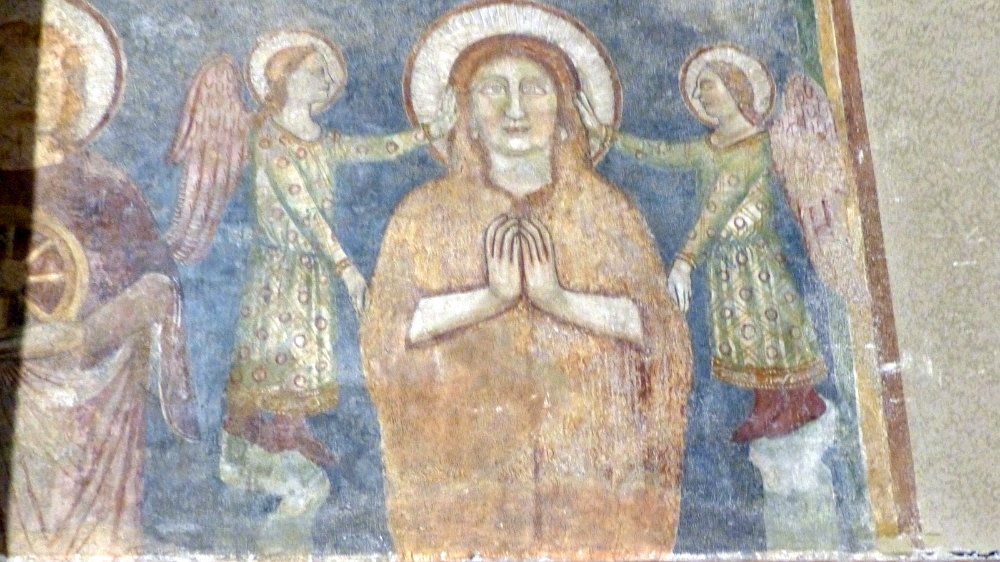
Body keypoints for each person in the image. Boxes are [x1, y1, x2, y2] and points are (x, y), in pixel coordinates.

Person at [362, 4, 692, 558]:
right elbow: (385, 337)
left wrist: (557, 300)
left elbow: (663, 337)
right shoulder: (422, 215)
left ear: (563, 110)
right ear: (465, 112)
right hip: (468, 480)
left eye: (534, 89)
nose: (514, 109)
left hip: (590, 473)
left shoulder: (608, 212)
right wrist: (488, 299)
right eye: (493, 89)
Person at [165, 30, 454, 555]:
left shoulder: (321, 137)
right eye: (315, 70)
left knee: (302, 358)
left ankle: (289, 428)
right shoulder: (268, 137)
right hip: (280, 270)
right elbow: (304, 209)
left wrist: (430, 132)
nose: (326, 79)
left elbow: (375, 148)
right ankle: (247, 439)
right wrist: (348, 269)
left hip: (310, 272)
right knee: (273, 353)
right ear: (286, 77)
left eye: (325, 71)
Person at [0, 4, 198, 556]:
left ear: (70, 90)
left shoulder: (104, 187)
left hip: (85, 413)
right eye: (17, 75)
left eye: (49, 76)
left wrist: (83, 335)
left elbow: (158, 286)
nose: (33, 90)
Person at [578, 44, 829, 443]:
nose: (700, 96)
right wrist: (606, 135)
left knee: (771, 328)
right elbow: (661, 152)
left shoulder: (756, 146)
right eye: (698, 89)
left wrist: (685, 260)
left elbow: (719, 204)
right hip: (726, 262)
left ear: (735, 89)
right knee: (745, 335)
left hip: (756, 260)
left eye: (708, 86)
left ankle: (802, 400)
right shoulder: (709, 147)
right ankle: (766, 406)